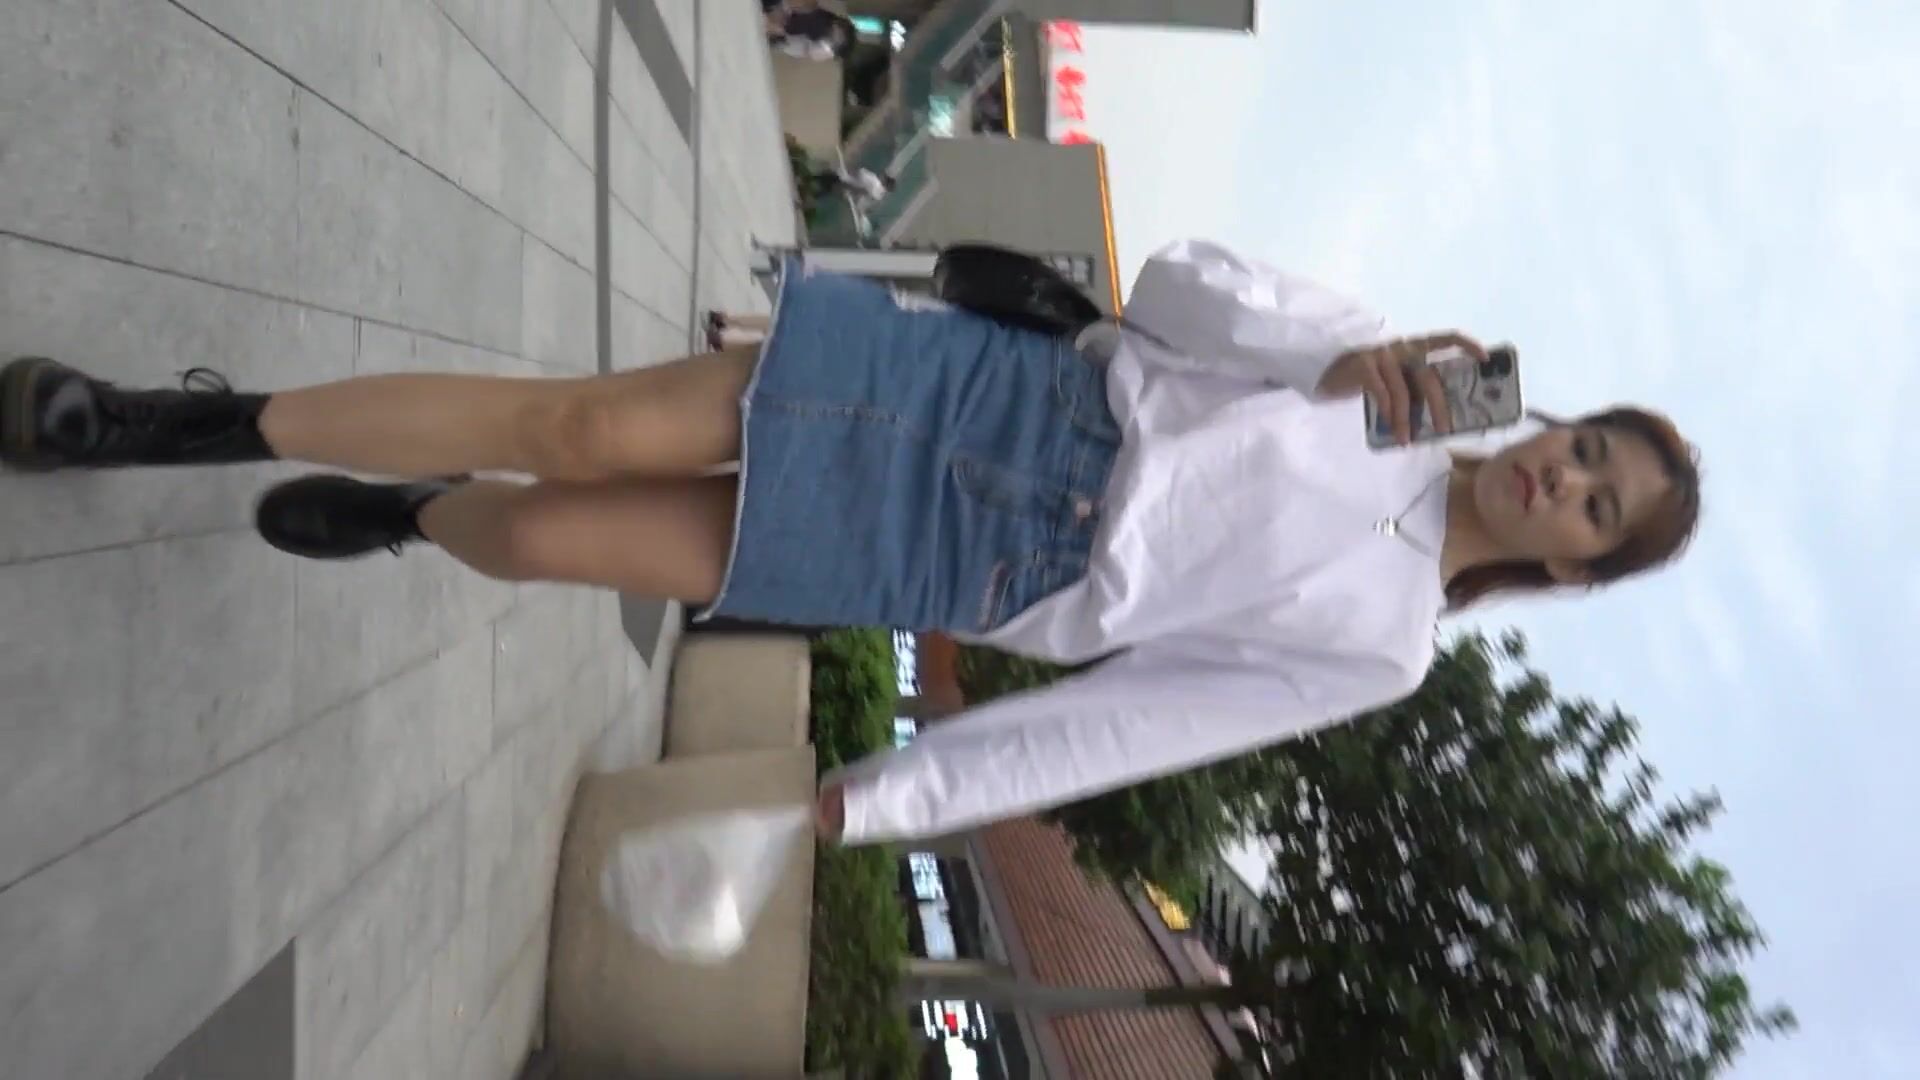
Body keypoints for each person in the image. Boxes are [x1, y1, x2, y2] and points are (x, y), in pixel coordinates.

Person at [0, 240, 1701, 848]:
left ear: (1572, 570)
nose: (1564, 479)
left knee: (544, 538)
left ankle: (405, 514)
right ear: (1555, 422)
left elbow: (1145, 719)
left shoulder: (1385, 647)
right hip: (1007, 402)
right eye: (1588, 448)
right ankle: (172, 423)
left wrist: (895, 797)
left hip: (984, 569)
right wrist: (1316, 361)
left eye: (1597, 508)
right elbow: (1172, 287)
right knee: (575, 428)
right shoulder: (1382, 366)